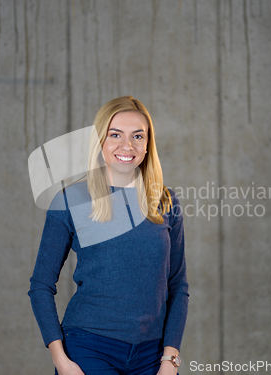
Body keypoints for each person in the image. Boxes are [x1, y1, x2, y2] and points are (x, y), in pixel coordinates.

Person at [28, 96, 189, 375]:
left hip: (152, 356)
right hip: (89, 349)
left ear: (148, 143)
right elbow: (40, 285)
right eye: (115, 135)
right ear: (100, 140)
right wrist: (60, 359)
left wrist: (170, 359)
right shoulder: (71, 200)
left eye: (138, 136)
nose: (127, 146)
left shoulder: (165, 202)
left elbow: (178, 287)